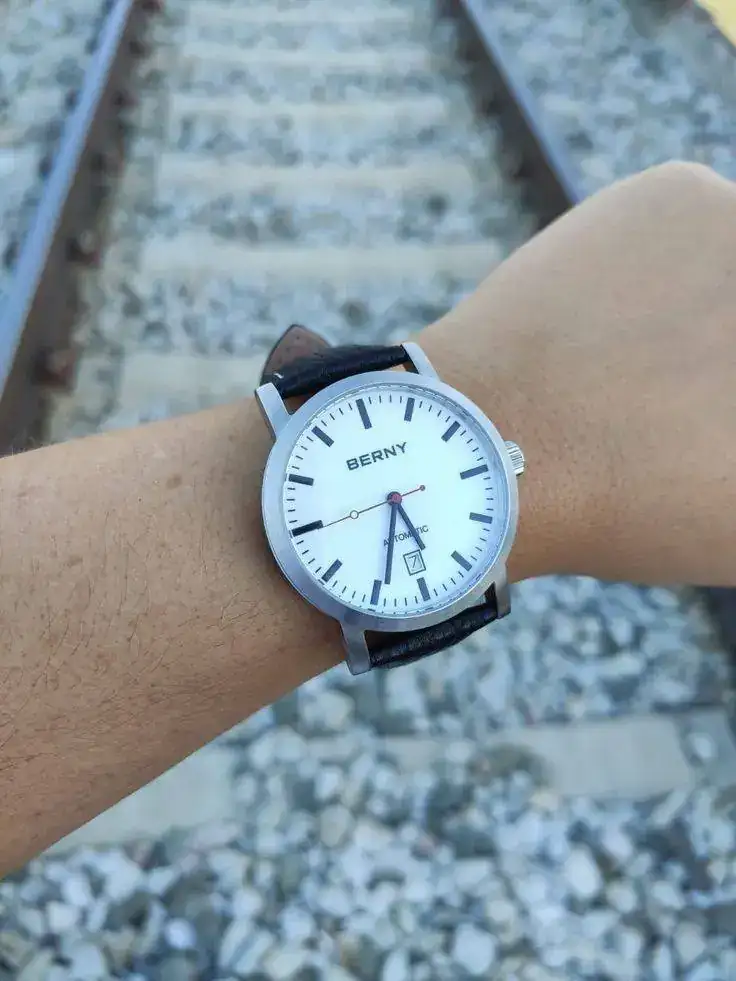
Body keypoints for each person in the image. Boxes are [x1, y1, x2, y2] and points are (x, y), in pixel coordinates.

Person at [0, 161, 734, 875]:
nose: (395, 496)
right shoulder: (349, 527)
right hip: (387, 578)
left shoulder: (452, 471)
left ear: (504, 459)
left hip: (433, 566)